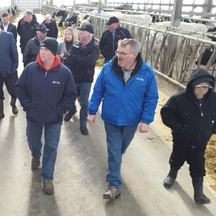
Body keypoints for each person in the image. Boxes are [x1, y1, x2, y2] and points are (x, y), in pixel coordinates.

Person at [88, 38, 158, 200]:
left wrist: (146, 120)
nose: (118, 55)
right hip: (111, 118)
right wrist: (92, 111)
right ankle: (114, 185)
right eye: (118, 52)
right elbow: (98, 91)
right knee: (114, 149)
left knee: (120, 149)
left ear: (134, 54)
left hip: (131, 120)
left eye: (123, 53)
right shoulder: (107, 69)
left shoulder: (146, 73)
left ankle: (114, 165)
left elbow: (151, 97)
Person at [15, 37, 77, 195]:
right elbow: (19, 88)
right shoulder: (30, 69)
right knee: (33, 141)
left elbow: (70, 95)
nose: (42, 53)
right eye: (41, 49)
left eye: (46, 50)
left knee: (51, 146)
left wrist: (60, 110)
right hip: (34, 116)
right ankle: (36, 155)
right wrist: (27, 105)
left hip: (54, 119)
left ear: (54, 53)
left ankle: (48, 177)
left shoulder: (64, 72)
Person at [161, 68, 216, 205]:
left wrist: (211, 129)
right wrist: (180, 129)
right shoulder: (179, 99)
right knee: (177, 158)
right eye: (199, 87)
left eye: (205, 87)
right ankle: (172, 174)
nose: (202, 90)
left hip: (200, 141)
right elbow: (166, 114)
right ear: (192, 85)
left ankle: (199, 194)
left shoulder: (214, 99)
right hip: (182, 139)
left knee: (198, 165)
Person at [65, 24, 99, 135]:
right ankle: (72, 110)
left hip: (86, 79)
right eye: (79, 33)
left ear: (88, 35)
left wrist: (74, 58)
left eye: (81, 33)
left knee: (84, 103)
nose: (79, 35)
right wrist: (77, 60)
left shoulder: (94, 47)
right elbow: (69, 59)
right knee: (70, 97)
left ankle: (83, 124)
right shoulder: (76, 45)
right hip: (74, 77)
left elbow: (89, 62)